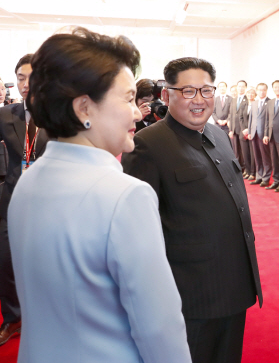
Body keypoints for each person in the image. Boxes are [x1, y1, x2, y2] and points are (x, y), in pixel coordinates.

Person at [7, 27, 190, 362]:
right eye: (127, 98)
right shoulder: (125, 196)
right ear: (84, 109)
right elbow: (159, 328)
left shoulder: (28, 182)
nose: (137, 112)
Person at [122, 57, 262, 363]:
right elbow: (139, 232)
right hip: (190, 295)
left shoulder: (218, 135)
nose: (199, 100)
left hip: (234, 284)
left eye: (206, 90)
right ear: (166, 95)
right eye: (187, 91)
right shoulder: (147, 144)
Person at [0, 54, 50, 347]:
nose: (25, 83)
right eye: (20, 77)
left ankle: (44, 319)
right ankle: (12, 317)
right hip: (11, 201)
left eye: (32, 77)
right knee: (5, 263)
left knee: (46, 265)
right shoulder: (7, 115)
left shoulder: (61, 115)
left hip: (50, 204)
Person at [248, 83, 271, 187]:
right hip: (254, 133)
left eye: (263, 90)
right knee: (257, 156)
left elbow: (269, 121)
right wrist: (249, 131)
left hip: (264, 134)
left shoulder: (270, 102)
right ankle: (259, 176)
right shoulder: (254, 103)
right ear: (256, 91)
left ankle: (266, 178)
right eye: (260, 90)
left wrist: (267, 134)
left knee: (265, 157)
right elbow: (251, 119)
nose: (261, 92)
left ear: (266, 91)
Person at [229, 80, 249, 176]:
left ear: (245, 88)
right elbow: (232, 115)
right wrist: (231, 129)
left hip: (243, 129)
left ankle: (246, 169)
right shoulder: (234, 99)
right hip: (234, 129)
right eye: (239, 86)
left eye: (242, 86)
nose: (240, 88)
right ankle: (239, 168)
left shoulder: (247, 99)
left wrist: (246, 129)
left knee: (244, 151)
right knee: (236, 151)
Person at [242, 87, 257, 180]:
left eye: (252, 93)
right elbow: (240, 117)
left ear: (255, 94)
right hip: (243, 132)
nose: (250, 95)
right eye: (248, 93)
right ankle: (247, 171)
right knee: (245, 153)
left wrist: (249, 130)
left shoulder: (256, 104)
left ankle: (253, 172)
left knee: (253, 154)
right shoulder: (244, 104)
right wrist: (244, 129)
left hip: (253, 132)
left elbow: (256, 119)